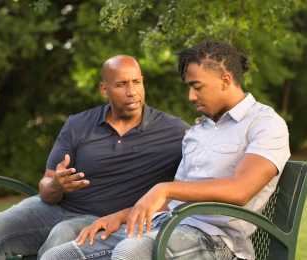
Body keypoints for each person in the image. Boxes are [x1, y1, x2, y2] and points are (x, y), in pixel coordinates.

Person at [39, 41, 290, 260]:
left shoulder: (265, 124)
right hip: (166, 225)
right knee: (60, 255)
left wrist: (164, 187)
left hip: (216, 241)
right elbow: (175, 201)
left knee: (129, 252)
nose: (191, 96)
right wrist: (123, 215)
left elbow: (240, 189)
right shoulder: (199, 131)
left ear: (225, 80)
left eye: (197, 86)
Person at [0, 55, 189, 260]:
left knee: (60, 238)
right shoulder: (78, 124)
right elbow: (46, 187)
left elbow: (199, 170)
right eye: (121, 84)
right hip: (56, 208)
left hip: (107, 220)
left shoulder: (173, 131)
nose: (132, 91)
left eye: (136, 82)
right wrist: (56, 184)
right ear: (104, 89)